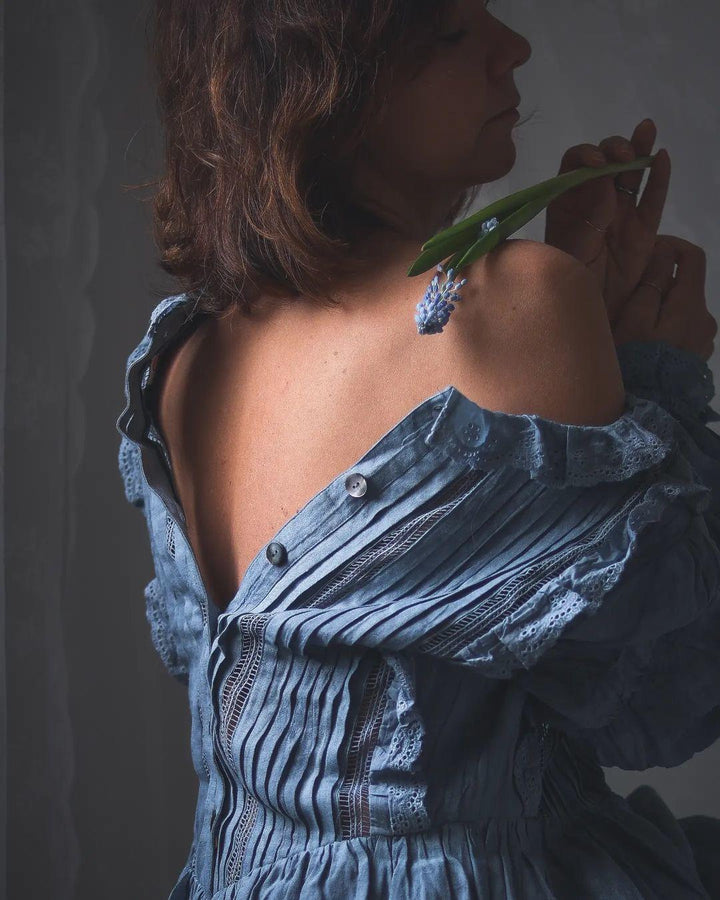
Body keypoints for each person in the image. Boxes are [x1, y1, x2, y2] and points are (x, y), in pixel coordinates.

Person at [116, 0, 720, 896]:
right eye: (452, 33)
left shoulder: (187, 353)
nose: (513, 46)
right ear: (331, 91)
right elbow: (667, 701)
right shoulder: (509, 307)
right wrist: (657, 382)